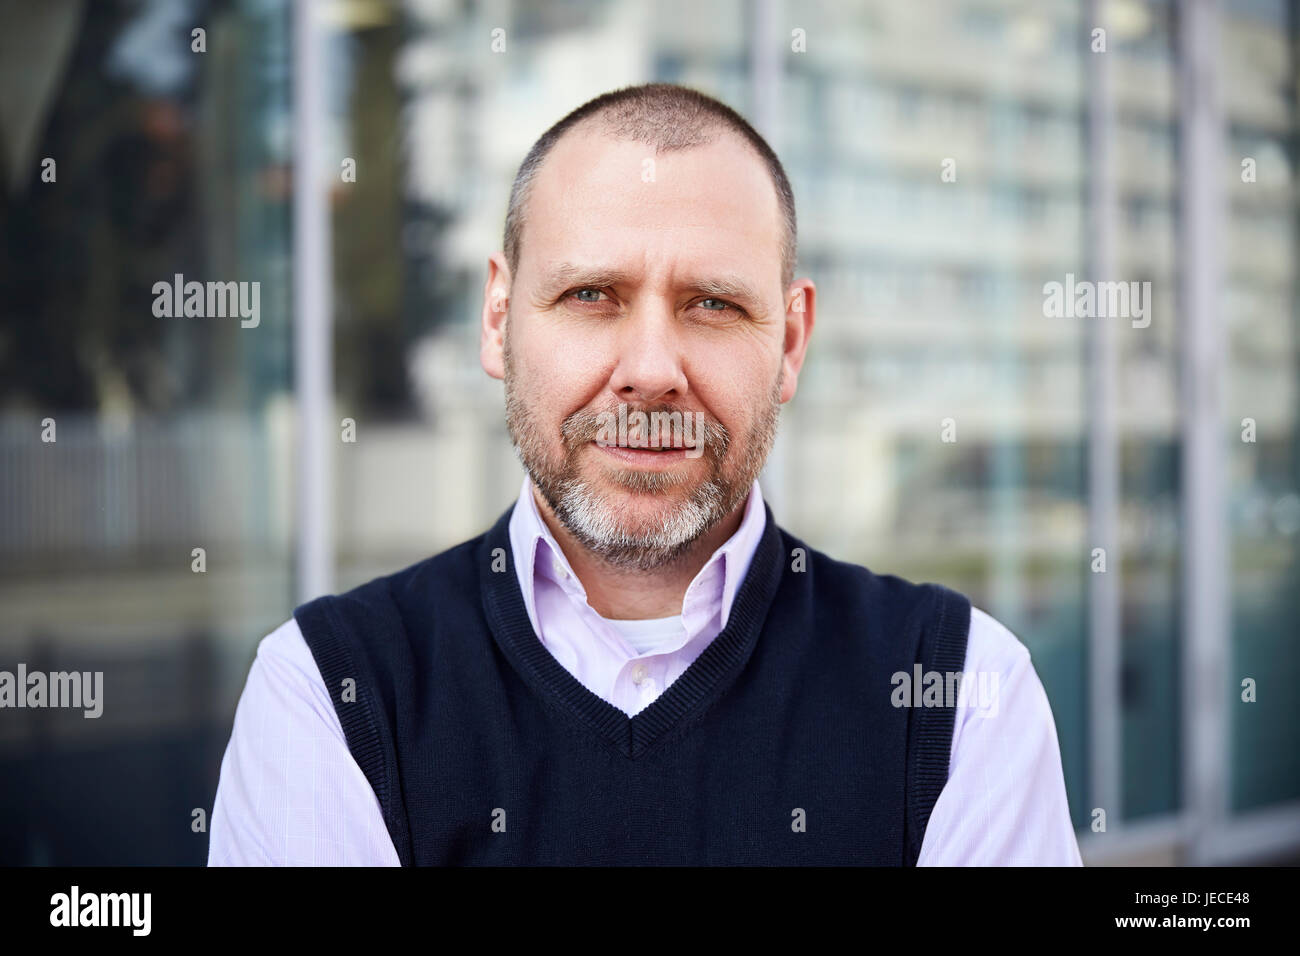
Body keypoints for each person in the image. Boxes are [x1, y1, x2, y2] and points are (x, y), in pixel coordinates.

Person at [209, 82, 1081, 866]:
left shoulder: (964, 694)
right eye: (592, 295)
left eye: (713, 303)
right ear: (499, 320)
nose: (652, 367)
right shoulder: (328, 693)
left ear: (788, 342)